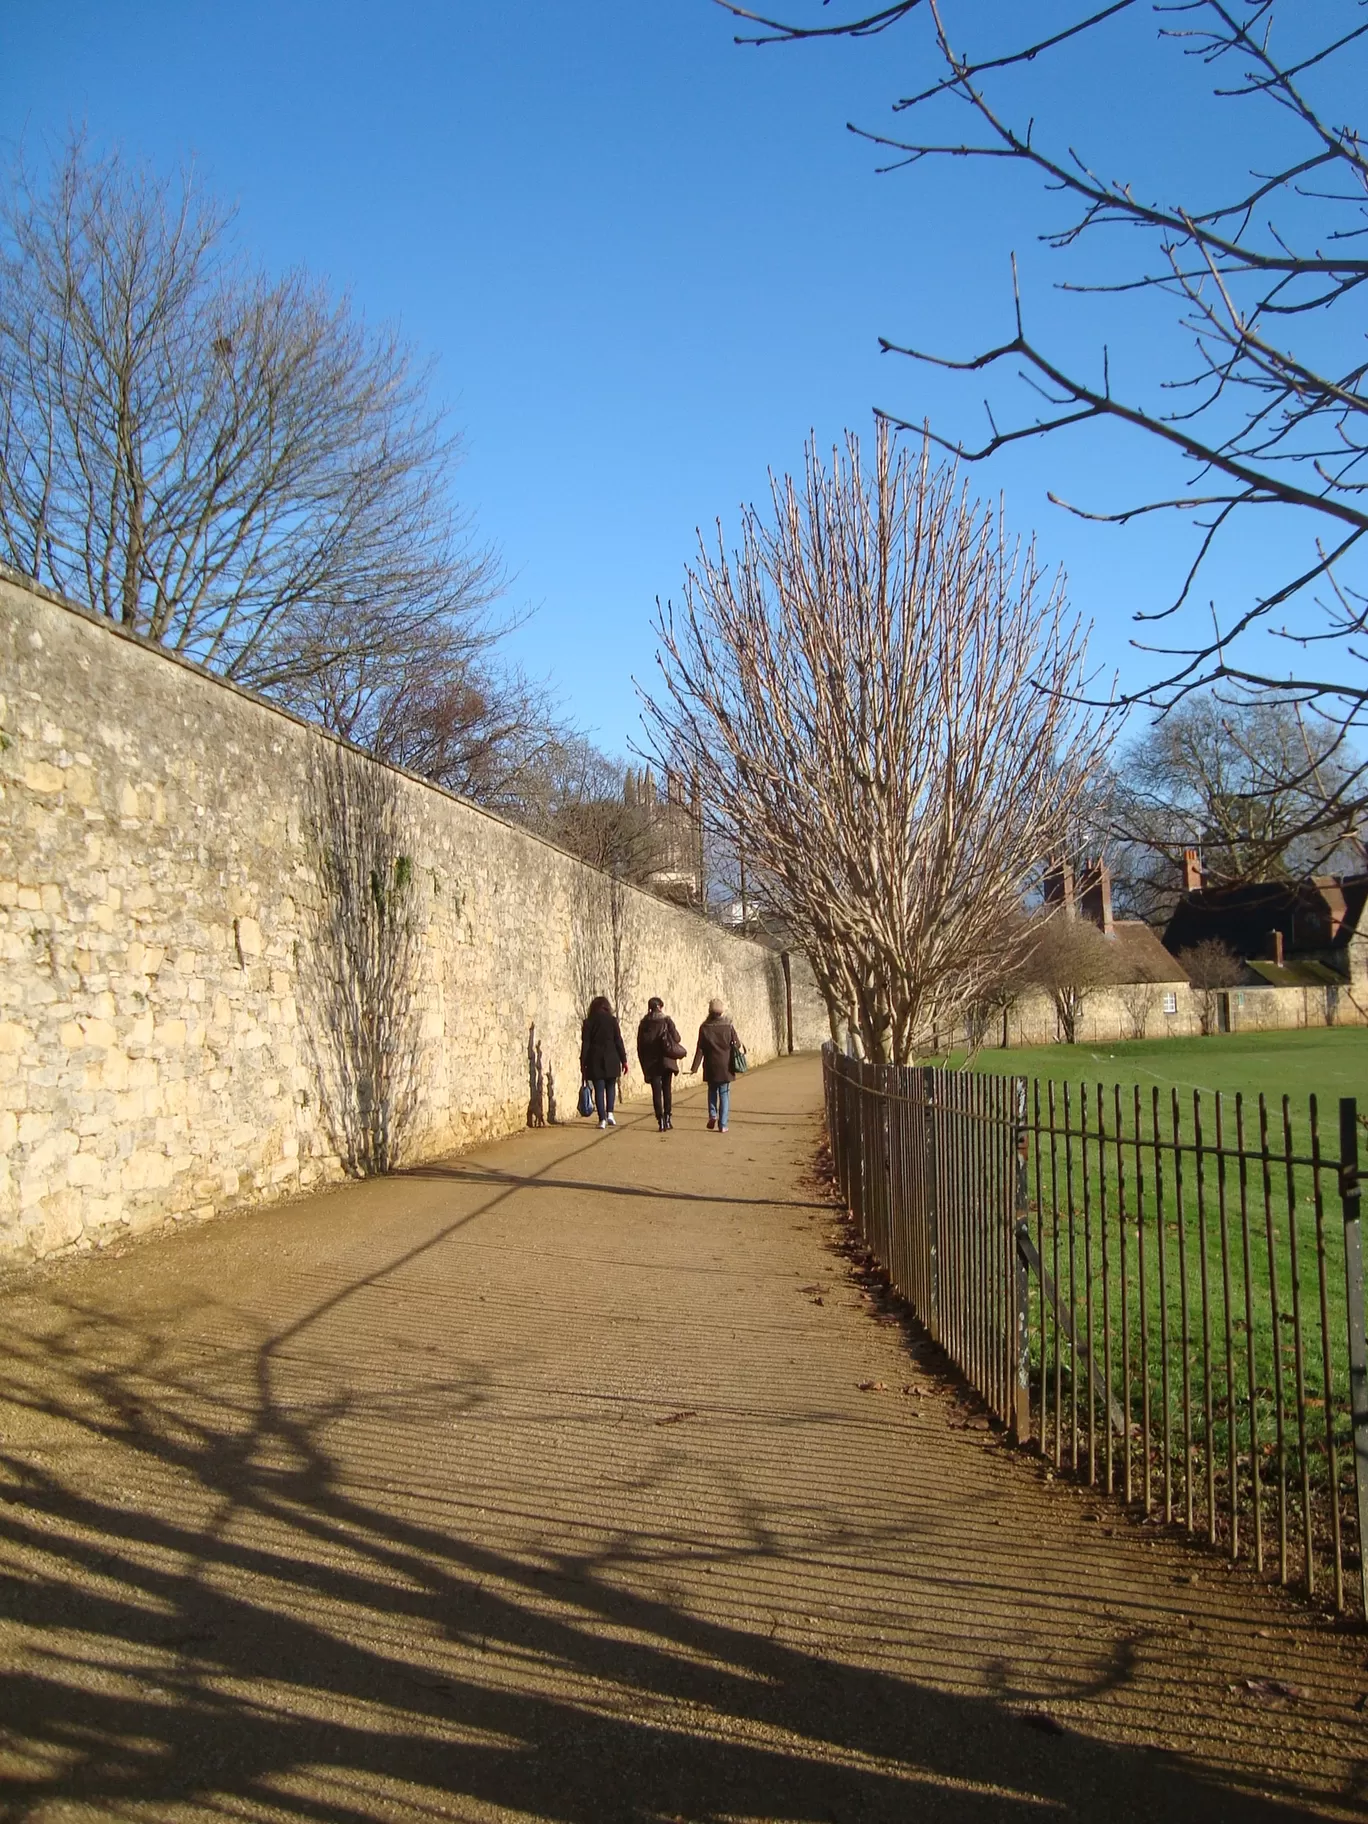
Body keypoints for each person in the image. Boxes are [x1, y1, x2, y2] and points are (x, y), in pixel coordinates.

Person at [691, 997, 742, 1133]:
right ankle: (723, 1124)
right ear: (722, 1012)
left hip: (711, 1066)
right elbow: (737, 1044)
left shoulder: (704, 1027)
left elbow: (700, 1049)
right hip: (726, 1066)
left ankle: (712, 1114)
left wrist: (694, 1068)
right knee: (724, 1093)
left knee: (712, 1091)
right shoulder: (728, 1026)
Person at [636, 995, 685, 1132]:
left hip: (651, 1063)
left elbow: (640, 1047)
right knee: (667, 1090)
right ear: (660, 1007)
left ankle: (660, 1120)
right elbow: (677, 1038)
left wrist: (644, 1066)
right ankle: (668, 1118)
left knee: (656, 1092)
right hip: (666, 1061)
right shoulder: (666, 1020)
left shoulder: (644, 1024)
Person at [580, 995, 628, 1130]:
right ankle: (610, 1114)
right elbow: (618, 1041)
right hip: (612, 1058)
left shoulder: (588, 1022)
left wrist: (583, 1063)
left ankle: (602, 1119)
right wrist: (624, 1060)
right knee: (611, 1087)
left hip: (595, 1059)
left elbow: (586, 1044)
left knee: (599, 1089)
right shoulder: (612, 1021)